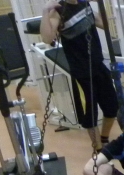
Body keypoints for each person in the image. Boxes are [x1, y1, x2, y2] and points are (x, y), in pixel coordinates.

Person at [41, 0, 119, 151]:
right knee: (90, 114)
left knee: (112, 108)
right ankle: (98, 149)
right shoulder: (58, 10)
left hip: (98, 64)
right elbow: (47, 38)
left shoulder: (84, 3)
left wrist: (101, 4)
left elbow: (104, 25)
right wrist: (45, 12)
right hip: (81, 72)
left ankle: (104, 138)